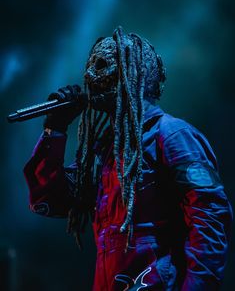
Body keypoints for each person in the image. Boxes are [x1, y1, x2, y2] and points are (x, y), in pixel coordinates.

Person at [24, 26, 232, 290]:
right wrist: (55, 130)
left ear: (136, 75)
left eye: (103, 65)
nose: (90, 75)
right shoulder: (104, 150)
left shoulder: (172, 135)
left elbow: (210, 215)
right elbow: (49, 201)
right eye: (90, 65)